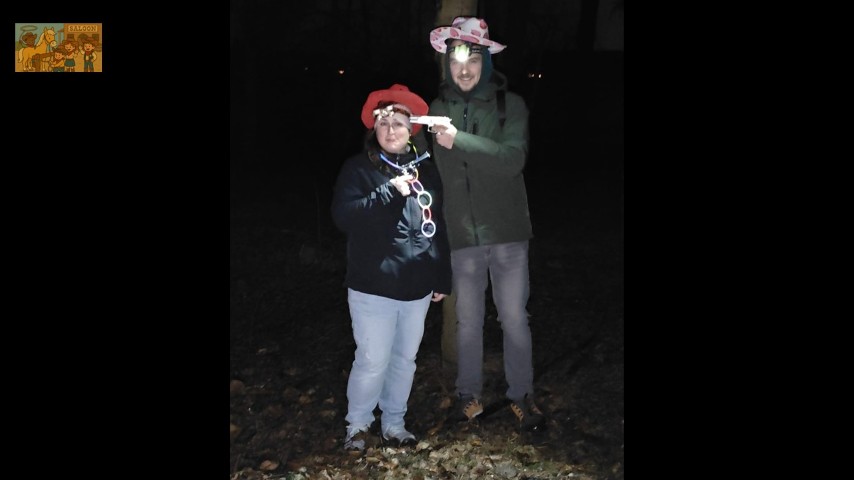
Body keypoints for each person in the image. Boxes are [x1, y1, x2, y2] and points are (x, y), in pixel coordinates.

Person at [426, 17, 546, 431]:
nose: (464, 69)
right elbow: (427, 170)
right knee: (468, 321)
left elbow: (512, 161)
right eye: (456, 60)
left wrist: (458, 139)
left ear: (487, 62)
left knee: (513, 318)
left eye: (473, 59)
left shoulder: (510, 106)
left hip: (508, 233)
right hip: (462, 235)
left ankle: (522, 395)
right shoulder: (435, 110)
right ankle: (468, 396)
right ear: (447, 64)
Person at [331, 84, 452, 451]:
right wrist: (387, 192)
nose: (390, 129)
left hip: (417, 287)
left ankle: (394, 424)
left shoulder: (425, 170)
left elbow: (436, 224)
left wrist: (441, 275)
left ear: (411, 129)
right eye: (383, 123)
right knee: (372, 360)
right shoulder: (358, 169)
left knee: (405, 360)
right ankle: (358, 426)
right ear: (374, 128)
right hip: (372, 286)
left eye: (398, 122)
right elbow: (343, 217)